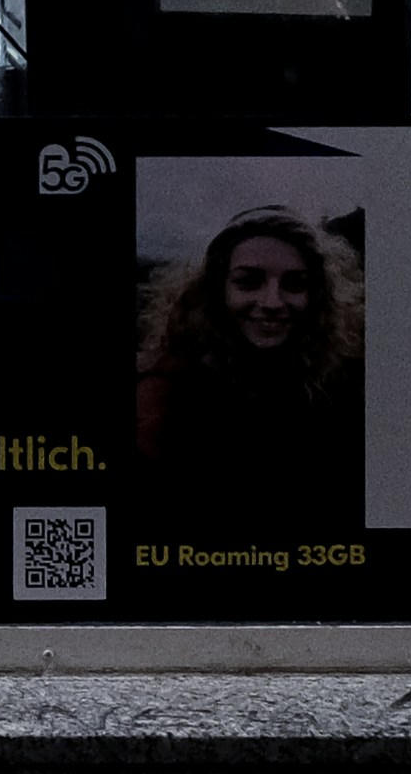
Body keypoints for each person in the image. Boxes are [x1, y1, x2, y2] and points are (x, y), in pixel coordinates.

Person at [138, 206, 362, 534]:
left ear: (316, 297)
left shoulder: (332, 383)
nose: (272, 301)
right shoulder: (165, 398)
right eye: (248, 282)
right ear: (216, 291)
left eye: (294, 284)